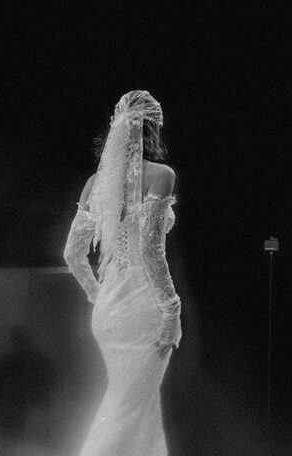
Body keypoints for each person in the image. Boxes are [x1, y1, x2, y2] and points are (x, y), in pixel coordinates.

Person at [63, 90, 181, 456]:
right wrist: (172, 308)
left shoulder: (95, 183)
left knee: (139, 408)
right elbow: (150, 250)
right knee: (128, 409)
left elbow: (72, 254)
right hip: (144, 309)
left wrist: (98, 294)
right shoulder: (161, 175)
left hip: (109, 313)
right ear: (152, 129)